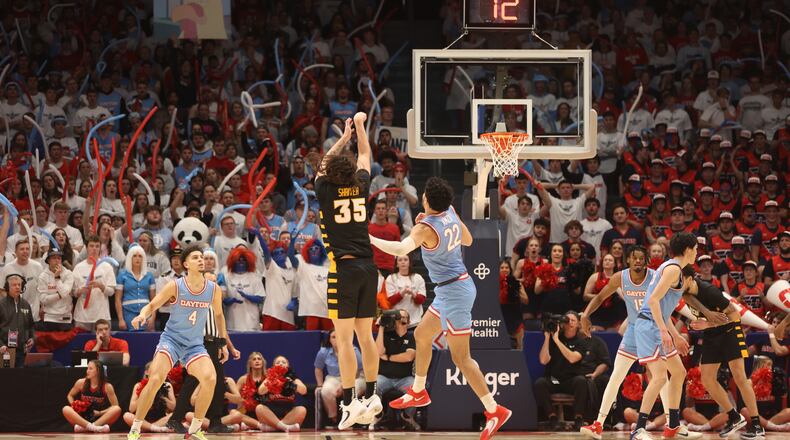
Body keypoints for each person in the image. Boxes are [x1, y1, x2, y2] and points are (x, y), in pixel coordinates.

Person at [369, 176, 511, 440]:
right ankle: (419, 390)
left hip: (455, 292)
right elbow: (467, 240)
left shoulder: (424, 227)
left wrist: (370, 238)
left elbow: (400, 248)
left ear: (426, 199)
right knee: (422, 335)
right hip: (450, 288)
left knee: (462, 359)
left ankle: (495, 410)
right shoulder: (450, 212)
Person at [314, 113, 381, 428]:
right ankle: (373, 395)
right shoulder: (361, 186)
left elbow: (326, 161)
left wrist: (344, 135)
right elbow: (366, 154)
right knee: (365, 337)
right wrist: (361, 127)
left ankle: (352, 402)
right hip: (369, 267)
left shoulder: (325, 190)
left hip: (343, 270)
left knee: (343, 340)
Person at [126, 244, 229, 440]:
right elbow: (153, 304)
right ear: (186, 264)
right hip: (171, 340)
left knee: (210, 379)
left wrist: (223, 342)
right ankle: (136, 427)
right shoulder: (176, 285)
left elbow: (219, 315)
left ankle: (196, 428)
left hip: (194, 345)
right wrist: (142, 315)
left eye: (202, 257)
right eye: (196, 257)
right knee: (155, 379)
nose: (201, 260)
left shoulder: (213, 289)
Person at [681, 270, 765, 439]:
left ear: (689, 279)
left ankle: (756, 425)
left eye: (678, 280)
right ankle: (734, 417)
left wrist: (707, 324)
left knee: (740, 377)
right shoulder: (685, 293)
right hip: (712, 335)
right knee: (707, 379)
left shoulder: (710, 291)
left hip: (731, 332)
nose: (674, 284)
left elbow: (734, 316)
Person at [631, 232, 698, 440]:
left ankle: (674, 426)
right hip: (649, 326)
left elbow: (663, 307)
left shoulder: (672, 268)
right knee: (660, 377)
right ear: (687, 250)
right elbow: (652, 301)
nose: (696, 253)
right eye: (695, 249)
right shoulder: (673, 270)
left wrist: (675, 334)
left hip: (656, 323)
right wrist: (663, 331)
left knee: (678, 373)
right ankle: (638, 429)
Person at [534, 311, 590, 430]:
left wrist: (557, 342)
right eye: (567, 320)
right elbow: (543, 361)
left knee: (581, 381)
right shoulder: (554, 338)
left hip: (571, 381)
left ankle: (578, 418)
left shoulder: (581, 342)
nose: (569, 322)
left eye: (573, 320)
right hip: (555, 380)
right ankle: (553, 418)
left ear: (578, 325)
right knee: (540, 383)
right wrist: (547, 338)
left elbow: (572, 358)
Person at [375, 309, 419, 430]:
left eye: (404, 317)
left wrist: (388, 357)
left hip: (404, 377)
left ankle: (407, 416)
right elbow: (378, 352)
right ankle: (378, 416)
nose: (401, 319)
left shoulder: (412, 336)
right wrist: (381, 327)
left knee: (414, 387)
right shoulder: (386, 335)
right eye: (398, 317)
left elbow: (409, 356)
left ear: (409, 321)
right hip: (385, 377)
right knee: (374, 385)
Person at [314, 330, 366, 428]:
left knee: (351, 389)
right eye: (333, 337)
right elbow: (318, 369)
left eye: (338, 336)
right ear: (329, 340)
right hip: (334, 377)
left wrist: (345, 384)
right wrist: (319, 384)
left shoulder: (353, 350)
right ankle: (333, 419)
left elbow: (359, 370)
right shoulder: (323, 352)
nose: (336, 339)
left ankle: (351, 419)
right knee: (326, 390)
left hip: (356, 377)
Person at [61, 359, 122, 433]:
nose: (87, 371)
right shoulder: (81, 382)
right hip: (81, 418)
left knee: (117, 409)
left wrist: (100, 413)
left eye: (90, 368)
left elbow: (115, 405)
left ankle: (87, 427)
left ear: (98, 371)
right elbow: (70, 395)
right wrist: (75, 405)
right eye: (87, 368)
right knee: (66, 409)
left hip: (99, 418)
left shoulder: (107, 386)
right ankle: (95, 428)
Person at [123, 362, 175, 433]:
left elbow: (173, 407)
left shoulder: (167, 385)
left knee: (174, 415)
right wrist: (146, 395)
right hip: (143, 420)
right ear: (147, 372)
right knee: (127, 416)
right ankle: (155, 428)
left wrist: (161, 396)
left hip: (161, 420)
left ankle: (149, 428)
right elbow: (131, 409)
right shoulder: (138, 385)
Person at [115, 245, 157, 331]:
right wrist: (120, 319)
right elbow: (117, 299)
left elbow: (154, 299)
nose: (137, 258)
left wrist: (153, 317)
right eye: (134, 256)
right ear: (130, 258)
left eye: (140, 256)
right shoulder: (122, 275)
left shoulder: (149, 276)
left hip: (146, 312)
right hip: (128, 312)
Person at [0, 274, 36, 367]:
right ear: (7, 287)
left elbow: (31, 325)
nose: (17, 287)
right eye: (14, 285)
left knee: (20, 379)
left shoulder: (25, 304)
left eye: (19, 285)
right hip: (5, 350)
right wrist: (1, 345)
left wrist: (32, 338)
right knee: (6, 379)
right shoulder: (1, 304)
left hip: (21, 351)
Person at [37, 249, 76, 331]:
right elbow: (43, 299)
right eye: (54, 258)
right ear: (48, 260)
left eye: (59, 258)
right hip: (49, 318)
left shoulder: (68, 274)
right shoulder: (43, 276)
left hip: (66, 317)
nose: (57, 261)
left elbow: (65, 293)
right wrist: (59, 295)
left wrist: (57, 278)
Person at [384, 254, 427, 329]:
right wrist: (402, 293)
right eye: (400, 260)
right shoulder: (391, 278)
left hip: (415, 321)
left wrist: (413, 294)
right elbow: (390, 301)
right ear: (397, 264)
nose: (403, 262)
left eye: (405, 260)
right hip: (396, 321)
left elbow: (422, 300)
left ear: (409, 263)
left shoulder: (418, 278)